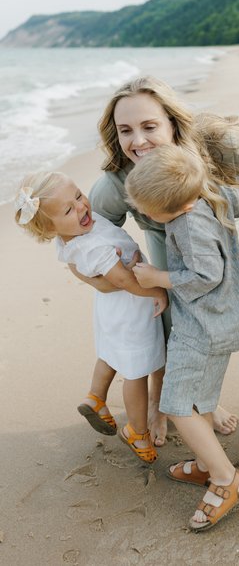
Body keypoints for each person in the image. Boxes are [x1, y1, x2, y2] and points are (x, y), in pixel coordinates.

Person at [85, 76, 239, 444]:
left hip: (227, 225)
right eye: (125, 131)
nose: (138, 141)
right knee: (168, 314)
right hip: (163, 233)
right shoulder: (116, 182)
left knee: (213, 311)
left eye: (150, 126)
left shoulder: (216, 144)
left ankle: (205, 400)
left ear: (172, 123)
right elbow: (87, 239)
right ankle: (159, 399)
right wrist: (117, 281)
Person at [126, 145, 239, 532]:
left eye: (149, 212)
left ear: (176, 208)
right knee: (201, 396)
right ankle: (205, 462)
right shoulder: (209, 195)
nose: (145, 216)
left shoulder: (188, 225)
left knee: (179, 405)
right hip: (221, 319)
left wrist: (158, 278)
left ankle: (226, 478)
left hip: (204, 326)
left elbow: (206, 275)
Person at [13, 172, 167, 464]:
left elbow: (82, 269)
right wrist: (158, 291)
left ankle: (96, 397)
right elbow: (122, 280)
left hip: (110, 309)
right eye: (69, 210)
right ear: (50, 228)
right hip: (131, 307)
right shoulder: (93, 246)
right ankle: (137, 430)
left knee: (111, 353)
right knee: (135, 370)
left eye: (79, 196)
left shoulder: (77, 236)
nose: (82, 207)